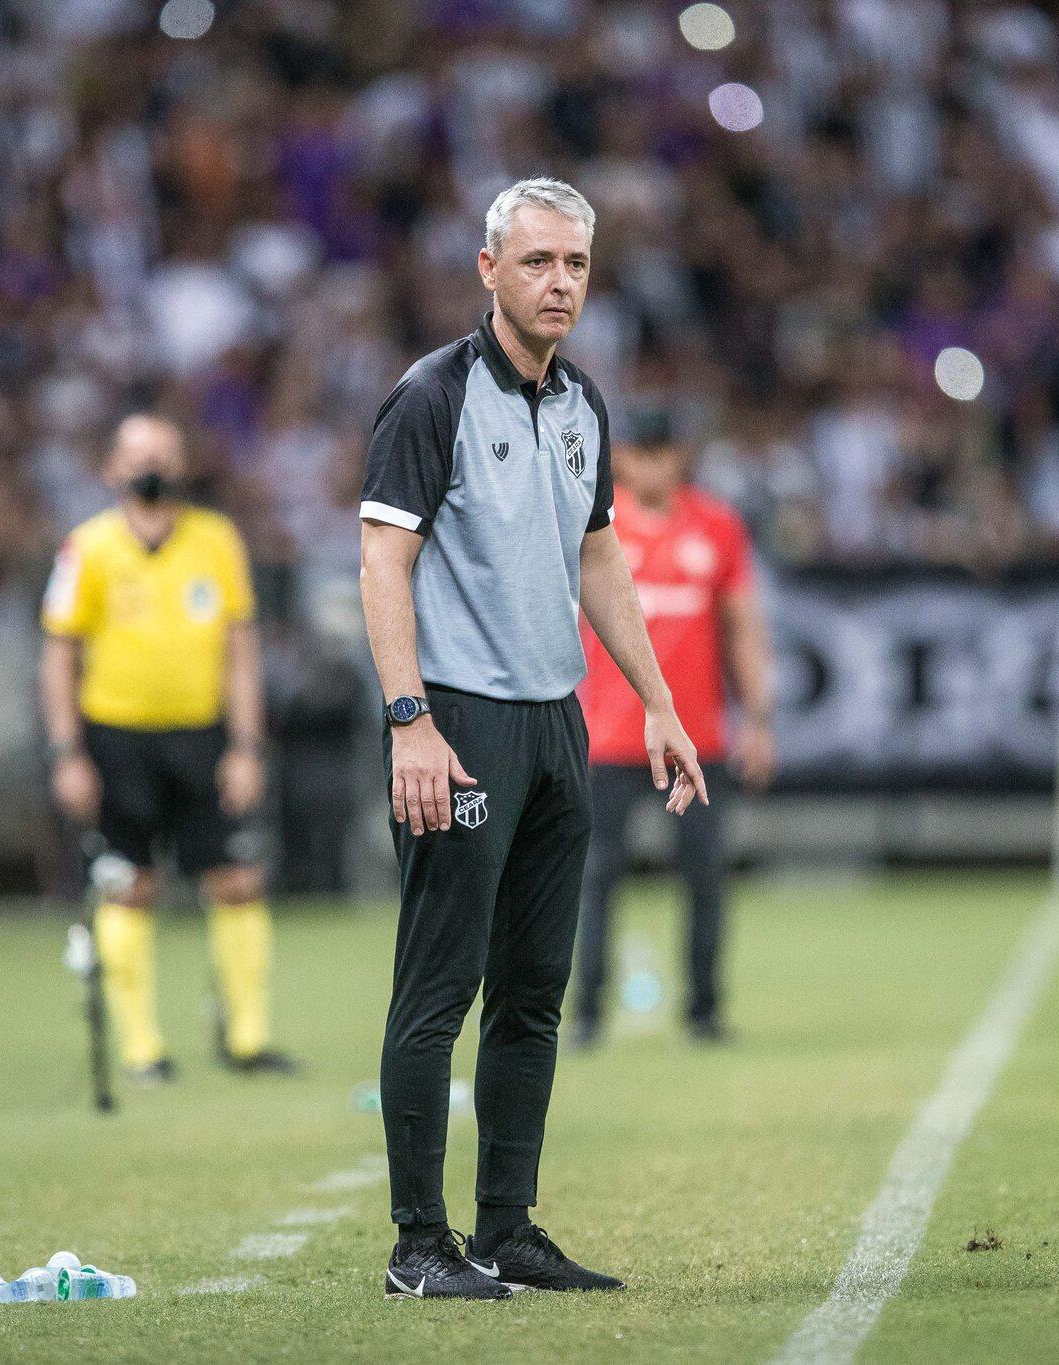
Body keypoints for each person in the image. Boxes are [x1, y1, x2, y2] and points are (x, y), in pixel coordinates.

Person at [358, 177, 708, 1301]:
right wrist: (409, 719)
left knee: (532, 992)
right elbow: (382, 561)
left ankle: (505, 1229)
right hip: (459, 721)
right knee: (438, 990)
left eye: (575, 265)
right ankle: (418, 1246)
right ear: (488, 269)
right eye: (537, 261)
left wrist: (657, 702)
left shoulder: (582, 404)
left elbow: (599, 558)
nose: (559, 283)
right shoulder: (431, 394)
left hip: (558, 723)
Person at [39, 413, 298, 1081]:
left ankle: (247, 1038)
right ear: (111, 469)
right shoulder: (87, 548)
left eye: (165, 453)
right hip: (116, 738)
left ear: (184, 466)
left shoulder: (216, 540)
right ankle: (142, 1048)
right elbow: (59, 656)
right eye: (139, 455)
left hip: (202, 736)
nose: (152, 466)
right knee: (129, 884)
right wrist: (67, 753)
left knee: (237, 880)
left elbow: (241, 651)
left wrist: (246, 746)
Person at [571, 409, 775, 1047]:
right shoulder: (595, 523)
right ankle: (584, 1015)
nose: (652, 466)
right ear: (621, 458)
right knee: (594, 879)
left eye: (663, 452)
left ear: (681, 456)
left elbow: (742, 624)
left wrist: (758, 717)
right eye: (640, 452)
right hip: (607, 738)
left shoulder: (717, 525)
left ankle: (704, 1014)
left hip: (695, 739)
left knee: (706, 877)